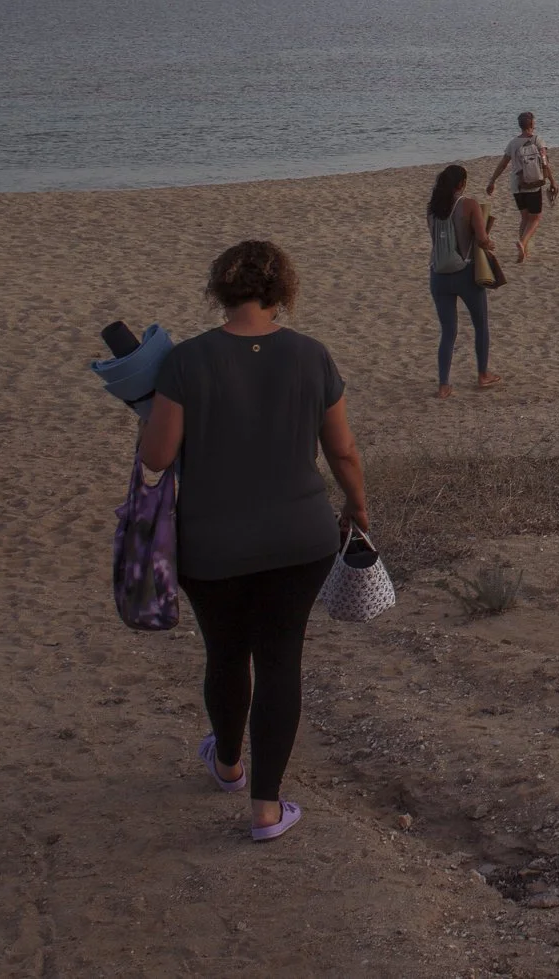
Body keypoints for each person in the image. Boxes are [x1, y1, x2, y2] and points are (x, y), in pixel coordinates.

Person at [137, 239, 367, 845]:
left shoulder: (185, 363)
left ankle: (229, 765)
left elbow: (156, 458)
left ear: (221, 288)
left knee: (225, 652)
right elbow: (341, 449)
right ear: (281, 289)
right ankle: (266, 810)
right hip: (300, 539)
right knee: (280, 659)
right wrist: (358, 506)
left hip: (212, 545)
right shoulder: (312, 356)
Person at [426, 164, 500, 398]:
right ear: (461, 184)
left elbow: (436, 241)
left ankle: (444, 385)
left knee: (448, 331)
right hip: (465, 274)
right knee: (480, 325)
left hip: (438, 275)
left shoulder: (432, 208)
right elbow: (481, 239)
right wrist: (490, 244)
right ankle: (482, 374)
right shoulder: (469, 204)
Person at [483, 112, 559, 264]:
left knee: (524, 217)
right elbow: (545, 163)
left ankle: (524, 252)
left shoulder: (513, 143)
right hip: (533, 184)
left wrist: (492, 181)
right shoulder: (538, 140)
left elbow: (503, 164)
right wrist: (552, 181)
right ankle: (523, 243)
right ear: (532, 124)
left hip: (517, 185)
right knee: (536, 217)